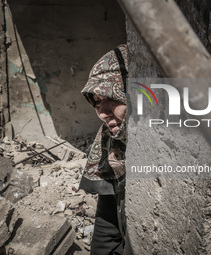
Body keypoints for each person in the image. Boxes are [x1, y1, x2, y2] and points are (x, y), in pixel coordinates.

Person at [80, 44, 128, 255]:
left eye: (112, 97)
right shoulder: (111, 143)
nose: (102, 113)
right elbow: (106, 231)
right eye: (98, 102)